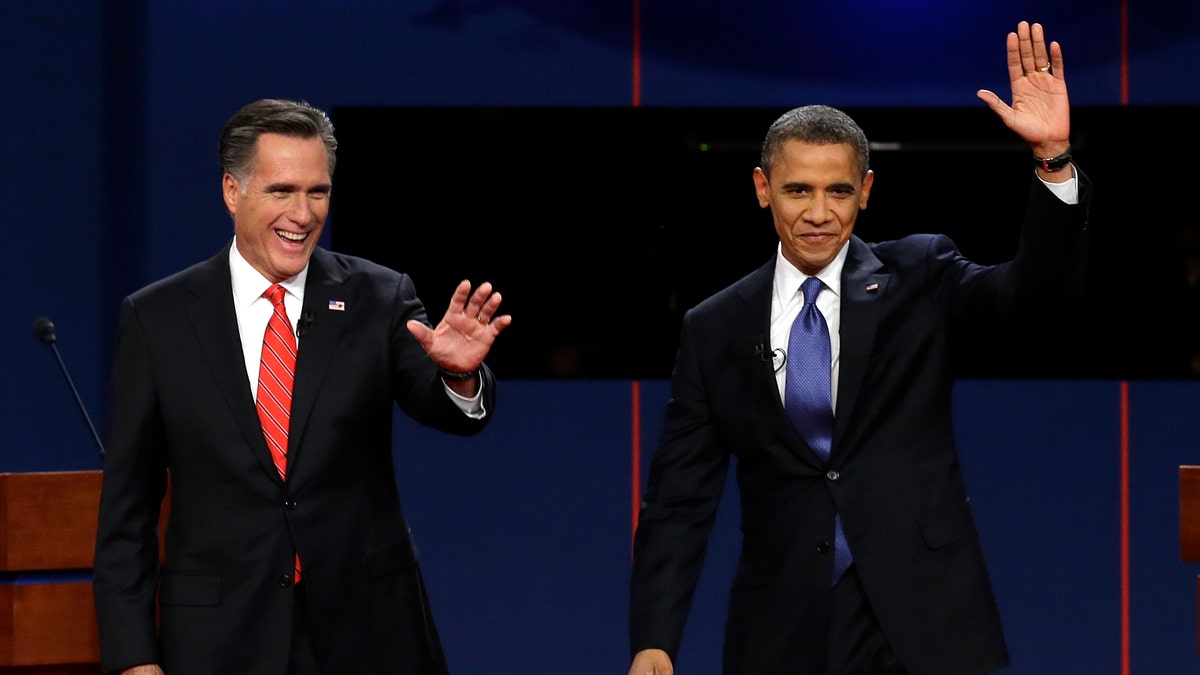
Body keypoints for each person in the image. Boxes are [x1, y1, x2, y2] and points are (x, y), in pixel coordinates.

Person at [628, 21, 1089, 675]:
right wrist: (654, 638)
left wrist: (1054, 161)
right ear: (763, 189)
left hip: (924, 616)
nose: (819, 211)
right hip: (782, 624)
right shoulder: (717, 326)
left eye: (838, 190)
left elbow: (1036, 291)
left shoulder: (920, 275)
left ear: (865, 191)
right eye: (798, 190)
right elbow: (679, 497)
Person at [92, 98, 511, 675]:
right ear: (232, 192)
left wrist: (459, 374)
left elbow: (443, 407)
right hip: (221, 638)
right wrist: (134, 660)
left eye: (318, 191)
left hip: (369, 633)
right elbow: (127, 514)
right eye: (282, 190)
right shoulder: (158, 319)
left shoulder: (377, 297)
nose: (304, 213)